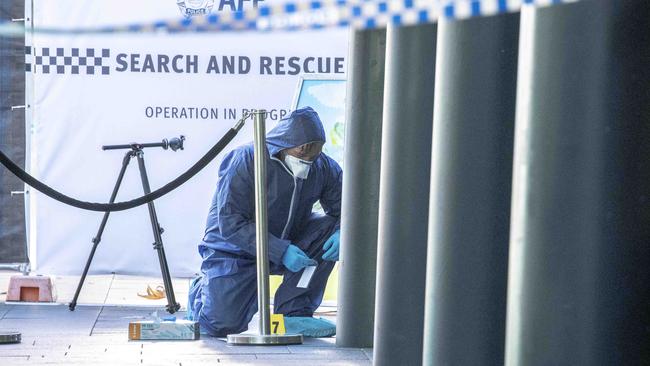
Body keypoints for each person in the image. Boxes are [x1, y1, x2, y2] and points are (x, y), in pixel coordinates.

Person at [187, 106, 342, 337]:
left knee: (328, 229)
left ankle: (294, 312)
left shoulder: (323, 167)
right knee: (221, 325)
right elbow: (230, 222)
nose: (307, 160)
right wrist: (280, 250)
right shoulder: (246, 159)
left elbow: (347, 208)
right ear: (284, 143)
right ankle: (202, 289)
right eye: (302, 153)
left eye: (314, 154)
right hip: (236, 250)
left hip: (290, 241)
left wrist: (343, 232)